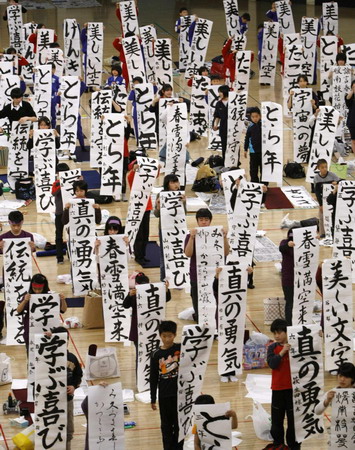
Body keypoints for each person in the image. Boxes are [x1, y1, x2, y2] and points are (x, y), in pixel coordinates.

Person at [184, 208, 229, 323]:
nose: (204, 222)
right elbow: (188, 253)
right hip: (197, 276)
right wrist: (192, 237)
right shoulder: (191, 235)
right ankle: (202, 325)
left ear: (210, 221)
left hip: (216, 276)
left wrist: (224, 237)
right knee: (198, 304)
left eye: (206, 219)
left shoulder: (218, 234)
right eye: (201, 219)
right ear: (197, 221)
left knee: (216, 302)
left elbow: (226, 253)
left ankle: (216, 325)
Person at [123, 272, 171, 372]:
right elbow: (126, 305)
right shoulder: (135, 294)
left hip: (150, 330)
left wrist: (166, 290)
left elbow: (167, 298)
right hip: (142, 329)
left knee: (148, 355)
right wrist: (129, 295)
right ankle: (142, 378)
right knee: (142, 355)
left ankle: (151, 375)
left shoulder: (152, 292)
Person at [265, 319, 300, 450]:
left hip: (293, 389)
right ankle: (278, 444)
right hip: (278, 389)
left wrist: (318, 334)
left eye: (279, 332)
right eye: (274, 333)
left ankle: (294, 445)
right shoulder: (272, 348)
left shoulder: (296, 345)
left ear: (287, 332)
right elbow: (272, 364)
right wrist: (282, 352)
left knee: (293, 421)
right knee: (277, 421)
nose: (276, 336)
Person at [0, 210, 36, 338]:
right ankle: (11, 326)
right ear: (9, 223)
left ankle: (26, 323)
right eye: (13, 225)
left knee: (25, 298)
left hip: (25, 273)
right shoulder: (3, 237)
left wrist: (32, 247)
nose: (16, 228)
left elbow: (32, 252)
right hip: (9, 274)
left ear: (22, 223)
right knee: (10, 298)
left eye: (18, 225)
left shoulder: (28, 236)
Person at [150, 320, 183, 450]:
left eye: (170, 336)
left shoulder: (180, 348)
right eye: (164, 336)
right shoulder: (156, 354)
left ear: (174, 335)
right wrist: (153, 398)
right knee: (166, 426)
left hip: (179, 394)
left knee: (179, 424)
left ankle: (178, 447)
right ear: (160, 335)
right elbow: (153, 378)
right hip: (164, 396)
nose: (167, 339)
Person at [50, 326, 83, 449]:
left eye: (65, 340)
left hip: (67, 400)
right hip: (51, 401)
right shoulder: (47, 358)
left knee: (68, 429)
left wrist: (74, 386)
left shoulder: (72, 358)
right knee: (52, 428)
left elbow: (79, 375)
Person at [16, 273, 67, 351]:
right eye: (34, 289)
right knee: (31, 357)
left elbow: (63, 310)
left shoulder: (51, 297)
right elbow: (18, 310)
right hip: (31, 333)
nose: (37, 291)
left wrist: (63, 300)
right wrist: (25, 301)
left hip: (49, 333)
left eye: (39, 289)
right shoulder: (28, 297)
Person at [154, 173, 184, 281]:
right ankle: (163, 278)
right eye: (173, 182)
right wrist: (158, 206)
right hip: (165, 229)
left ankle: (178, 279)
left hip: (178, 228)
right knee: (164, 254)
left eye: (177, 182)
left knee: (178, 253)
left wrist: (184, 202)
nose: (176, 184)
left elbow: (183, 213)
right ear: (167, 184)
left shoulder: (181, 195)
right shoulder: (161, 195)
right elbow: (156, 214)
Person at [126, 160, 154, 265]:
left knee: (146, 233)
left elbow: (154, 174)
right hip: (137, 208)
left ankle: (143, 254)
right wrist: (134, 170)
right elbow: (129, 177)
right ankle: (139, 255)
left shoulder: (146, 176)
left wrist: (158, 167)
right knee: (139, 234)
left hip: (147, 207)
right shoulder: (132, 176)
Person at [243, 106, 268, 204]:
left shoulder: (265, 126)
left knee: (264, 170)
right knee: (253, 170)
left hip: (264, 152)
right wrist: (245, 149)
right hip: (253, 152)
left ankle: (264, 186)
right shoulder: (250, 127)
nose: (255, 118)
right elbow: (246, 138)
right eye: (253, 117)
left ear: (260, 116)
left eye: (256, 116)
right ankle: (255, 185)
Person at [51, 162, 72, 264]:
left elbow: (82, 189)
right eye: (60, 173)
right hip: (59, 212)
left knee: (72, 234)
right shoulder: (56, 183)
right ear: (57, 173)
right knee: (59, 235)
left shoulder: (73, 182)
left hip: (71, 212)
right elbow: (54, 193)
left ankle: (72, 254)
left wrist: (79, 180)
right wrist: (62, 184)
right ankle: (59, 258)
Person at [313, 159, 340, 237]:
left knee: (332, 216)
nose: (325, 169)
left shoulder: (332, 175)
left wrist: (337, 183)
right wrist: (320, 205)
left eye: (326, 167)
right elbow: (317, 192)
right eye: (322, 167)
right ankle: (322, 233)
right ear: (318, 168)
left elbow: (341, 181)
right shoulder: (316, 178)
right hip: (323, 200)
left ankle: (332, 232)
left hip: (333, 199)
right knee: (321, 217)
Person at [279, 228, 295, 326]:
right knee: (290, 302)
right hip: (288, 279)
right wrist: (288, 245)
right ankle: (289, 325)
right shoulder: (284, 243)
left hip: (302, 280)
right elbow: (281, 248)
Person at [212, 85, 229, 165]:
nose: (219, 93)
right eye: (219, 92)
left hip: (233, 128)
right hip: (223, 128)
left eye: (220, 92)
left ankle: (235, 163)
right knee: (224, 147)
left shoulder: (233, 102)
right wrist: (215, 124)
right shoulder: (218, 103)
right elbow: (217, 116)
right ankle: (226, 162)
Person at [345, 79, 355, 154]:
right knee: (354, 140)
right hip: (352, 122)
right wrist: (352, 91)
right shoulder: (350, 97)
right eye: (353, 87)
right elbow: (347, 98)